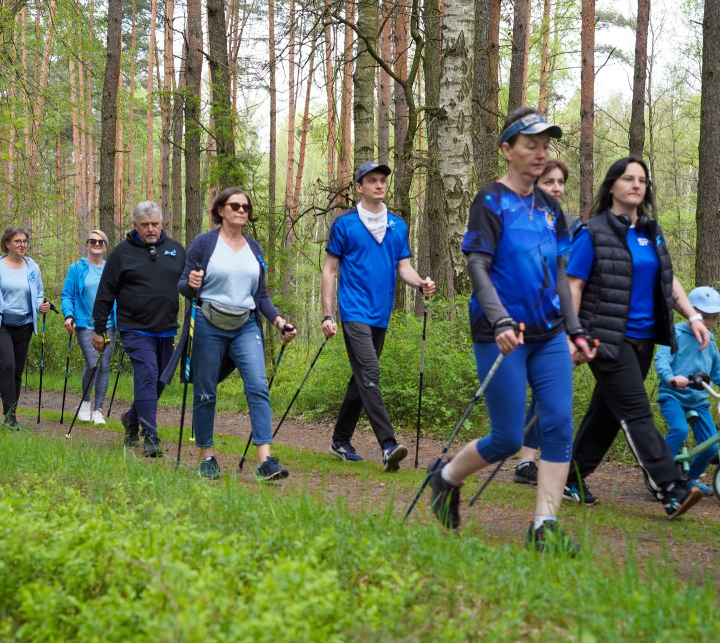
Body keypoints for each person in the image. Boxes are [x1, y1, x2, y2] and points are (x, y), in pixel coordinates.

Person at [426, 106, 596, 549]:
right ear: (507, 150)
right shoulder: (490, 201)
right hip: (501, 332)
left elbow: (560, 273)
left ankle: (545, 527)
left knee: (558, 422)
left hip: (549, 332)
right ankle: (445, 478)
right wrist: (499, 317)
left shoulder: (550, 208)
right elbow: (477, 264)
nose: (540, 153)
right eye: (530, 144)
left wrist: (575, 330)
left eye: (545, 145)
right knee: (506, 436)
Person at [563, 156, 708, 518]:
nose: (636, 185)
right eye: (628, 178)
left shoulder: (651, 232)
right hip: (606, 338)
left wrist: (692, 316)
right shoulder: (593, 231)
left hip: (645, 339)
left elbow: (668, 282)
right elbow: (574, 285)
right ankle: (671, 488)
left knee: (608, 412)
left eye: (642, 180)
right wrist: (572, 333)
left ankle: (569, 477)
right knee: (637, 412)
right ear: (612, 185)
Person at [168, 187, 298, 481]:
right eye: (235, 205)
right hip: (207, 323)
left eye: (246, 207)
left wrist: (279, 322)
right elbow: (183, 286)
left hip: (245, 326)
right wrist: (190, 282)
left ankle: (265, 460)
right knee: (205, 390)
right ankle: (207, 457)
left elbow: (261, 295)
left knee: (258, 386)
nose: (242, 210)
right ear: (220, 211)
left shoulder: (255, 249)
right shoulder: (204, 244)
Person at [320, 161, 436, 471]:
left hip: (380, 314)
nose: (379, 185)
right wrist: (327, 314)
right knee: (370, 372)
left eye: (383, 180)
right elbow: (330, 270)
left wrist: (421, 282)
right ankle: (388, 444)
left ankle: (340, 440)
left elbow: (404, 268)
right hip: (354, 311)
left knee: (361, 380)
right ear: (359, 187)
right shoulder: (344, 224)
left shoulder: (398, 225)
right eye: (372, 180)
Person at [94, 201, 185, 456]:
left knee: (159, 381)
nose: (151, 229)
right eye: (145, 225)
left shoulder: (176, 251)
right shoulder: (121, 253)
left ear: (162, 223)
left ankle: (132, 419)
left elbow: (190, 285)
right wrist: (98, 329)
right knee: (147, 375)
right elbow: (105, 293)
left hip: (166, 327)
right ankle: (150, 435)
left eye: (155, 224)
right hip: (135, 328)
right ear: (135, 225)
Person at [514, 157, 584, 486]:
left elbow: (579, 276)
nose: (556, 188)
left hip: (564, 321)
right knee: (537, 391)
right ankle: (525, 457)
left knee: (550, 393)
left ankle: (532, 461)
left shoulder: (574, 225)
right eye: (548, 182)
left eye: (559, 183)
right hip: (528, 319)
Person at [654, 286, 720, 495]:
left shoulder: (710, 341)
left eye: (714, 318)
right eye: (705, 317)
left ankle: (690, 478)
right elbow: (661, 360)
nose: (710, 323)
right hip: (673, 396)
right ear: (691, 311)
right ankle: (660, 473)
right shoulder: (675, 333)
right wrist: (671, 378)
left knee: (712, 447)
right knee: (680, 430)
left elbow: (717, 371)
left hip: (698, 400)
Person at [0, 227, 51, 429]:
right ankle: (9, 417)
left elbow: (38, 295)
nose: (22, 245)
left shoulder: (32, 267)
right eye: (17, 241)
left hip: (24, 325)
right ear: (7, 244)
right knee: (7, 364)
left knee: (17, 370)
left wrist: (41, 306)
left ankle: (11, 414)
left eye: (25, 241)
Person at [62, 230, 118, 426]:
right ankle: (85, 403)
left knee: (104, 366)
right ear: (86, 244)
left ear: (106, 245)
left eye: (101, 241)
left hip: (109, 324)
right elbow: (67, 295)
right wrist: (69, 315)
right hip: (85, 323)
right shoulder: (76, 268)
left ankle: (97, 410)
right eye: (92, 241)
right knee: (93, 363)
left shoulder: (112, 269)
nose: (96, 244)